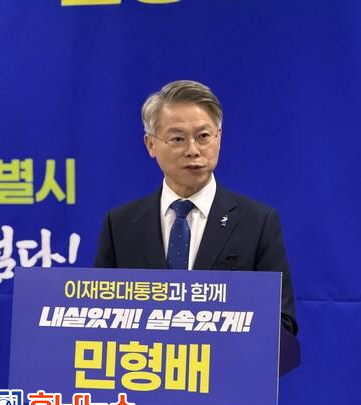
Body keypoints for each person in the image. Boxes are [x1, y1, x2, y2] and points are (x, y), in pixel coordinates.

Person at [95, 80, 297, 335]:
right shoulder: (121, 225)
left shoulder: (257, 223)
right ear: (150, 145)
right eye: (177, 138)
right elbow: (97, 317)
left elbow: (282, 325)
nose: (193, 150)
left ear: (218, 137)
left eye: (203, 136)